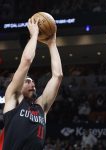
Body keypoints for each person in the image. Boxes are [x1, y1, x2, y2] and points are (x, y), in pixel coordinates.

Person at [1, 17, 63, 150]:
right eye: (27, 81)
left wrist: (52, 44)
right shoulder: (13, 99)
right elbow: (27, 60)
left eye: (33, 81)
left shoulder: (41, 107)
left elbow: (58, 76)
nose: (32, 84)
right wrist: (34, 34)